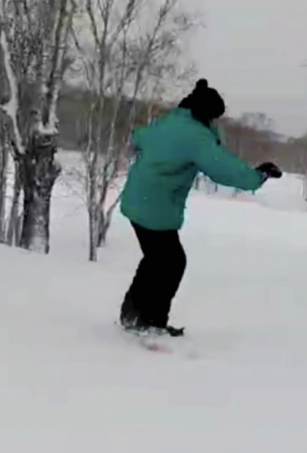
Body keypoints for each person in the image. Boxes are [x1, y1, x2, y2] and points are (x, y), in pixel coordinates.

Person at [119, 79, 282, 337]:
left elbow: (140, 136)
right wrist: (257, 176)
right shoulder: (195, 136)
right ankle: (149, 322)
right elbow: (222, 167)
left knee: (158, 259)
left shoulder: (169, 122)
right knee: (171, 262)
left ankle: (134, 314)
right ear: (205, 113)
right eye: (214, 116)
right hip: (155, 207)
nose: (214, 122)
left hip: (139, 199)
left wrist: (138, 147)